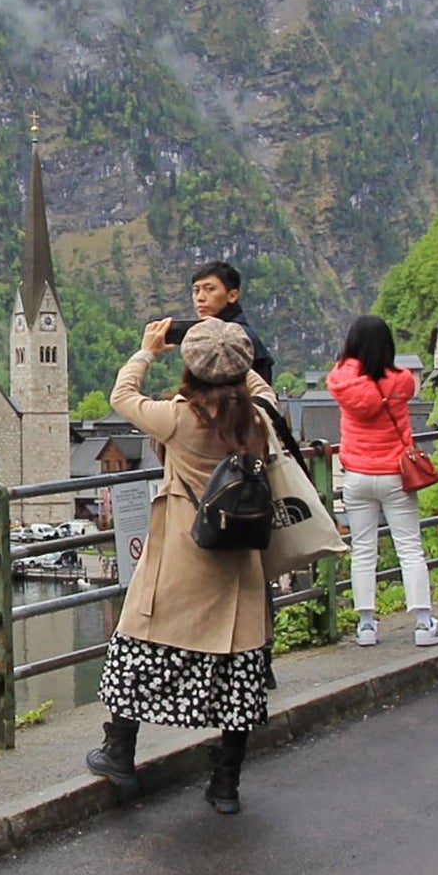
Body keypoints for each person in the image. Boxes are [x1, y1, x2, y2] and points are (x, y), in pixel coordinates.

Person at [86, 316, 279, 814]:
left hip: (181, 557)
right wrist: (238, 357)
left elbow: (122, 395)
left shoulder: (178, 418)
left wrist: (148, 350)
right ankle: (226, 783)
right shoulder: (259, 417)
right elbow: (260, 389)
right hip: (239, 564)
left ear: (192, 369)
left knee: (137, 648)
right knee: (238, 670)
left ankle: (120, 752)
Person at [325, 315, 438, 649]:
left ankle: (366, 625)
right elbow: (402, 380)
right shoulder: (402, 381)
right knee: (409, 548)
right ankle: (423, 623)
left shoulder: (341, 382)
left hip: (357, 476)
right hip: (395, 474)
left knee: (363, 551)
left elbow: (340, 373)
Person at [189, 259, 276, 386]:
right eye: (196, 290)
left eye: (210, 289)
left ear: (232, 296)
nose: (200, 298)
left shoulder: (238, 337)